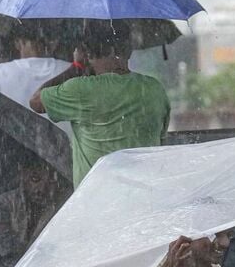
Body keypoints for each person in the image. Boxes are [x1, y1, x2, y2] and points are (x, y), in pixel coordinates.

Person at [31, 22, 169, 187]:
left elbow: (36, 102)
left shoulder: (81, 90)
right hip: (145, 199)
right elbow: (161, 142)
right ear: (129, 50)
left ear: (88, 54)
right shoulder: (154, 89)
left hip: (96, 202)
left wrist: (77, 66)